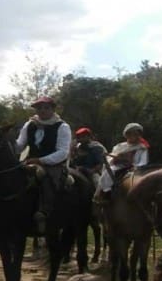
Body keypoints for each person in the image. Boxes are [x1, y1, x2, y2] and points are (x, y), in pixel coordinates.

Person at [14, 96, 72, 234]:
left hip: (53, 164)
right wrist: (7, 141)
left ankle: (44, 212)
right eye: (39, 108)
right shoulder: (29, 124)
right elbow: (19, 146)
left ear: (53, 109)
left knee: (46, 178)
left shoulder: (62, 126)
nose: (42, 110)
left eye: (46, 107)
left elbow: (63, 152)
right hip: (29, 162)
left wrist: (41, 160)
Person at [98, 122, 149, 201]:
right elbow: (111, 158)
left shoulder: (142, 148)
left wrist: (136, 167)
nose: (135, 136)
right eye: (133, 134)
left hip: (135, 168)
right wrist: (114, 158)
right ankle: (106, 192)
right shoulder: (119, 146)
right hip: (119, 166)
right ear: (127, 135)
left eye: (137, 134)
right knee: (109, 171)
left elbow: (143, 161)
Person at [70, 127, 107, 192]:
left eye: (83, 137)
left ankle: (100, 197)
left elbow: (100, 163)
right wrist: (72, 150)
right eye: (79, 137)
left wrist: (91, 170)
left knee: (97, 182)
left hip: (92, 171)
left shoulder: (96, 147)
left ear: (89, 136)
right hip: (77, 169)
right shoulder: (77, 147)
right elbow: (73, 159)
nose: (80, 139)